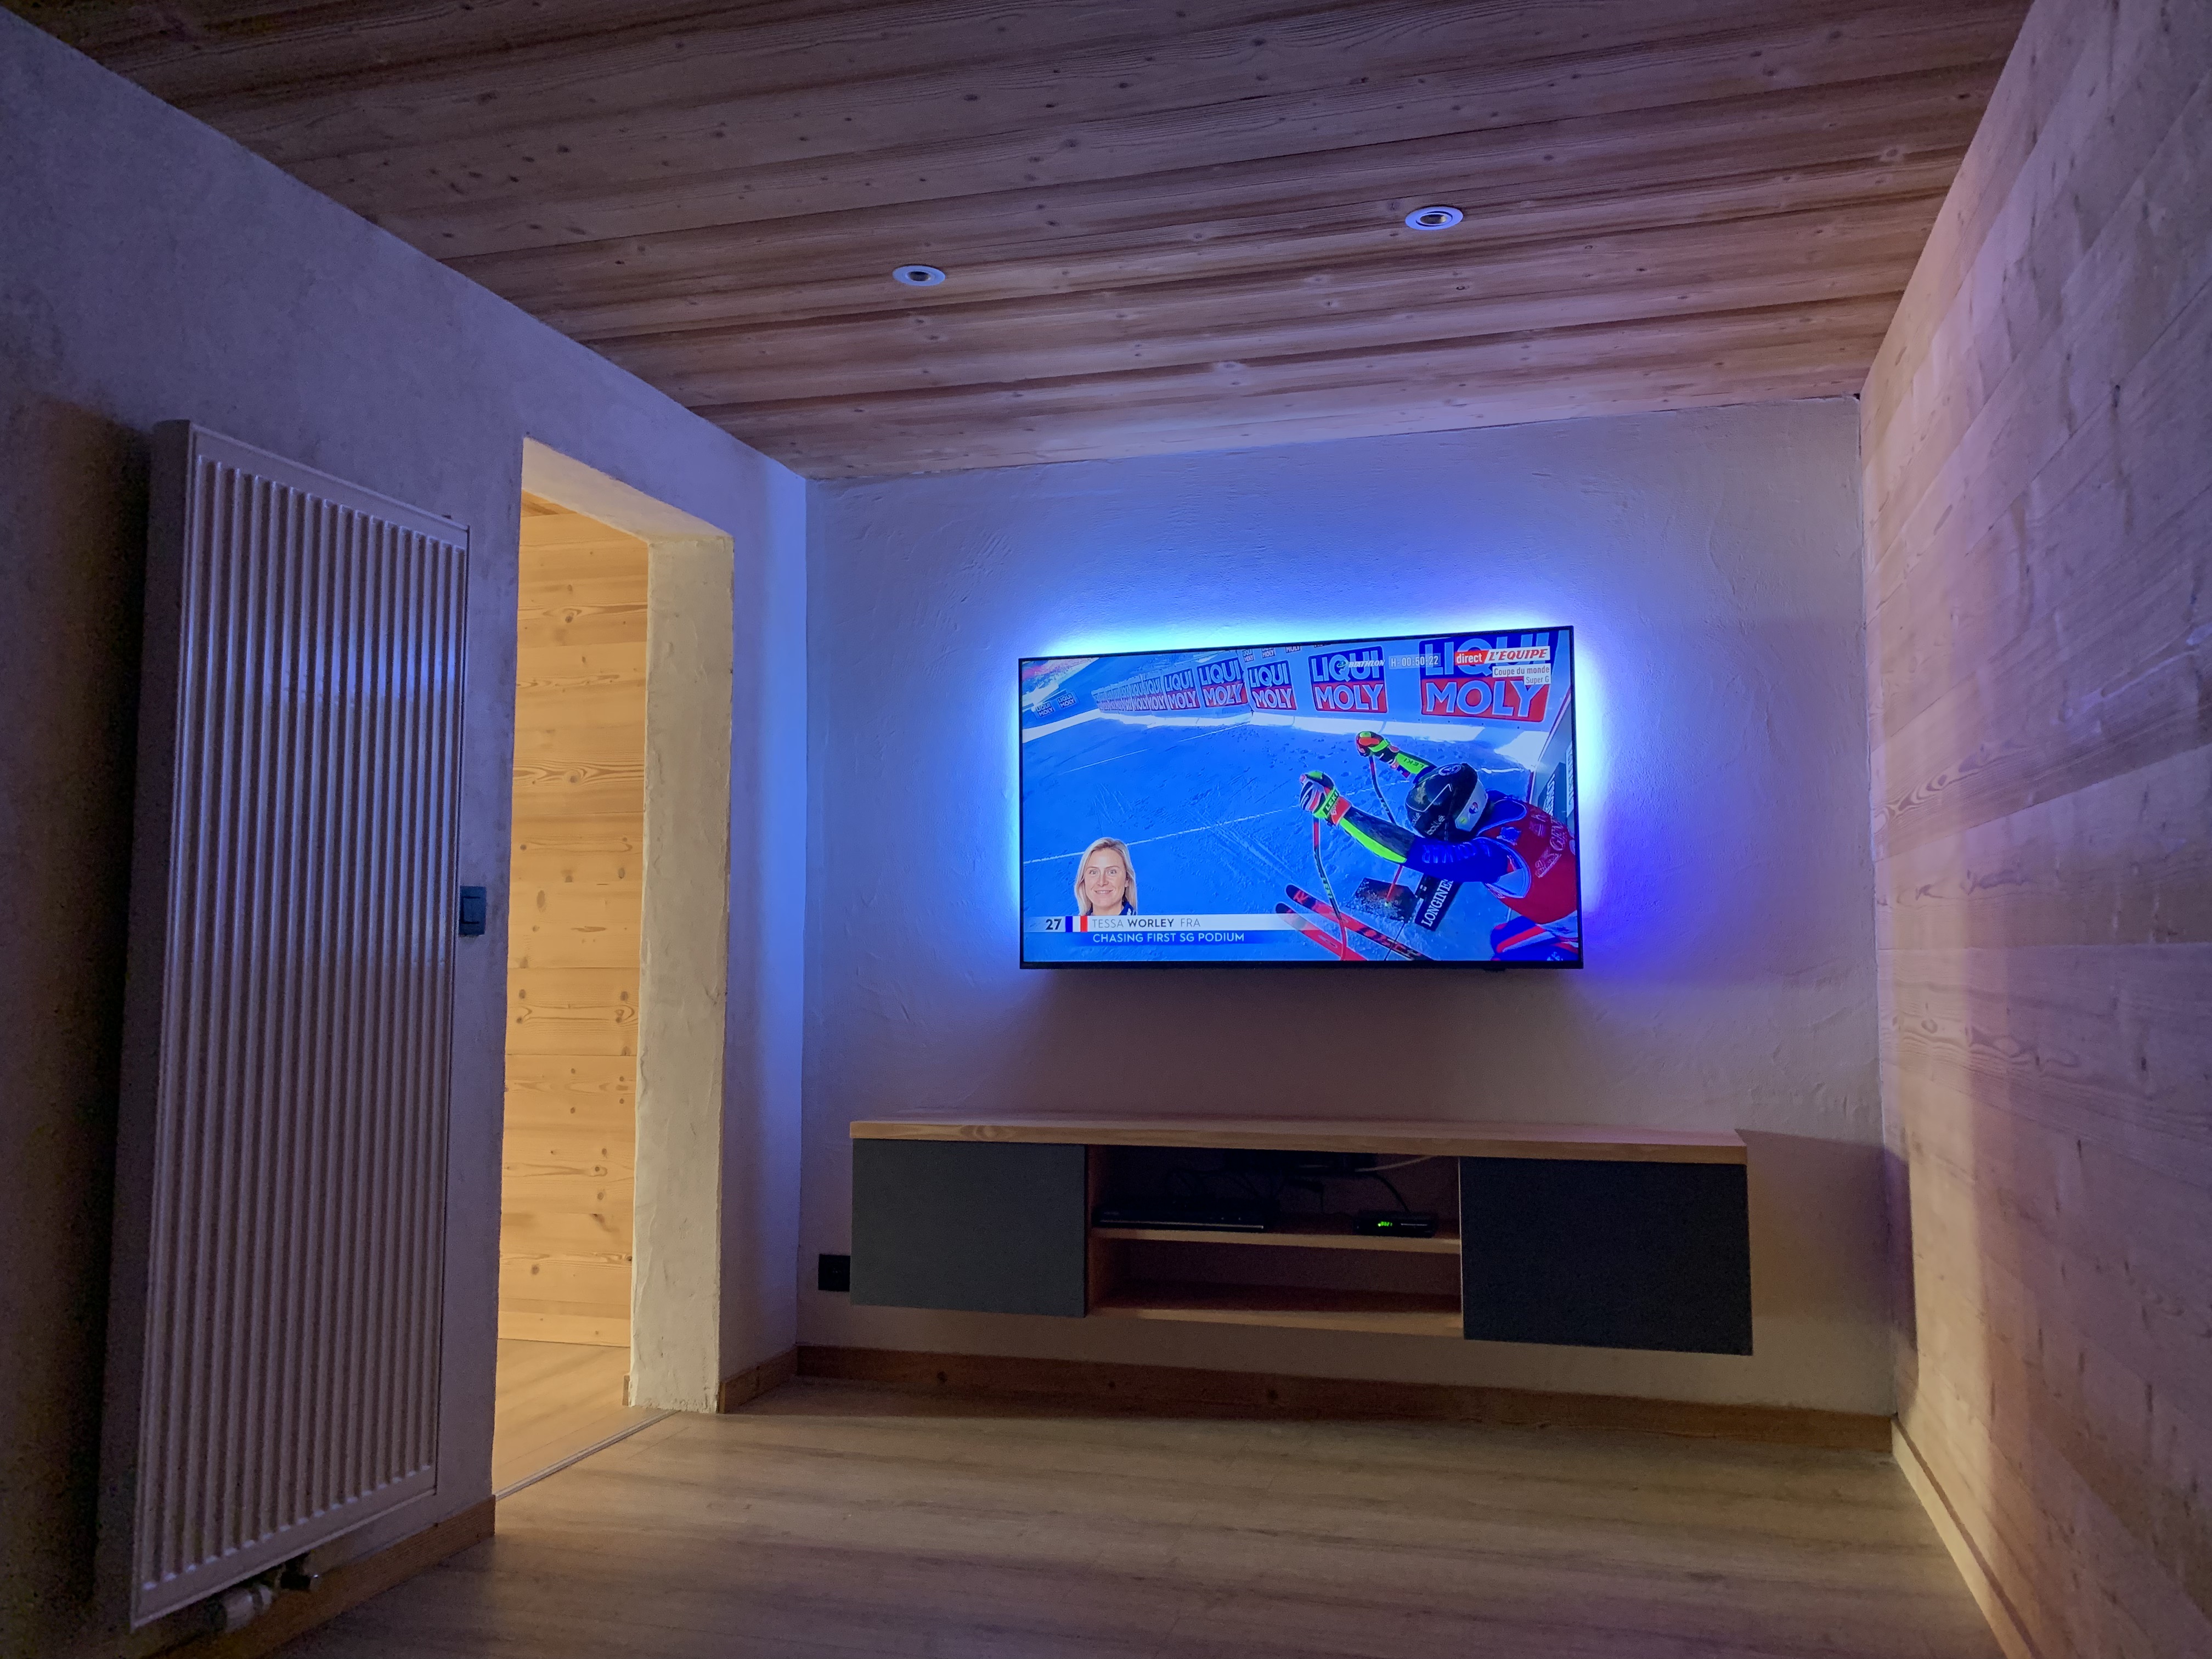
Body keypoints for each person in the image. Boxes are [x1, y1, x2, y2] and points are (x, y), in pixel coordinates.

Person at [1298, 731, 1577, 955]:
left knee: (1501, 952)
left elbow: (1409, 851)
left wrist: (1338, 811)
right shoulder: (1495, 801)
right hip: (1579, 891)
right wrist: (1389, 754)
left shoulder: (1491, 857)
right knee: (1500, 938)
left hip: (1578, 930)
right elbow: (1439, 783)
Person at [1073, 836, 1138, 917]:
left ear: (1127, 879)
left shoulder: (1148, 925)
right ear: (1083, 880)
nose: (1102, 882)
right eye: (1094, 872)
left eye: (1112, 872)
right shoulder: (1068, 925)